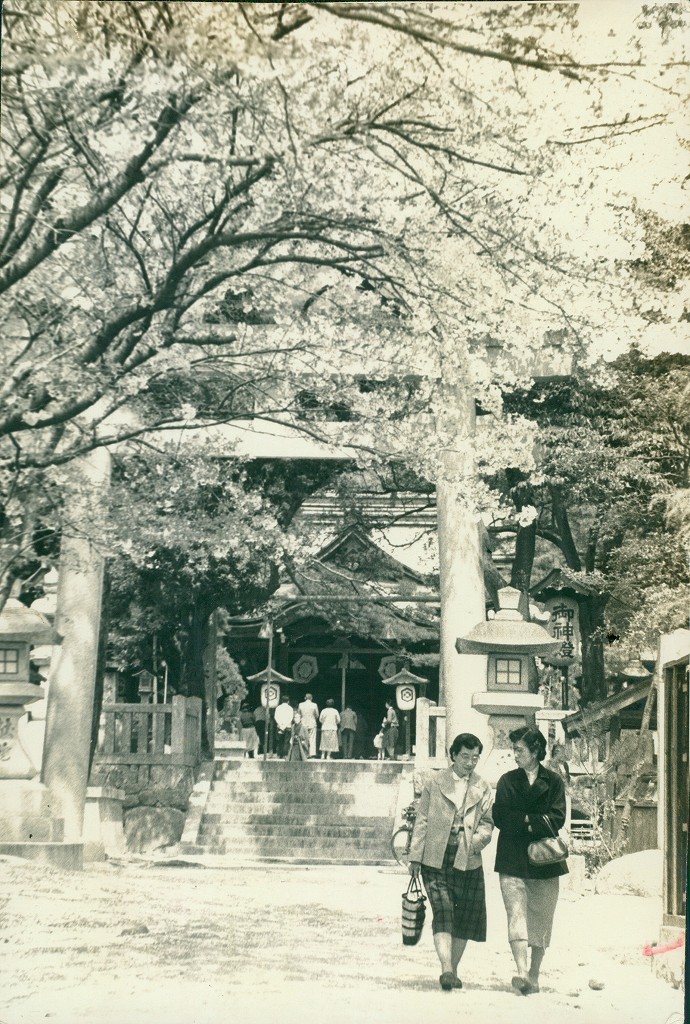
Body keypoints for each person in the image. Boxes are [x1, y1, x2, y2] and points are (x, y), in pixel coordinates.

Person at [408, 733, 493, 991]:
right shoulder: (435, 782)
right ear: (453, 755)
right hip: (436, 856)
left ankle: (453, 970)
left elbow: (488, 824)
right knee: (443, 910)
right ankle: (446, 967)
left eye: (475, 757)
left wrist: (476, 842)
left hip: (467, 857)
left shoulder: (483, 786)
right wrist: (414, 856)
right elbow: (422, 820)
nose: (470, 762)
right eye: (465, 756)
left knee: (465, 915)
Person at [493, 725, 569, 996]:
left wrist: (523, 820)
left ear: (536, 751)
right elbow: (500, 817)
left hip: (545, 859)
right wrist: (533, 821)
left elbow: (557, 819)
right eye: (514, 750)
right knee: (515, 914)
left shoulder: (555, 782)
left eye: (520, 750)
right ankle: (522, 972)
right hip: (511, 858)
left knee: (541, 917)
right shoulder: (506, 781)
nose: (515, 754)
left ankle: (535, 975)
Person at [298, 692, 320, 758]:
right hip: (312, 723)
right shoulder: (314, 705)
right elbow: (317, 715)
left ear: (305, 698)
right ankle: (312, 753)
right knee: (312, 739)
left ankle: (304, 753)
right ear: (311, 698)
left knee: (303, 738)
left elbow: (299, 714)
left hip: (303, 723)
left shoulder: (300, 705)